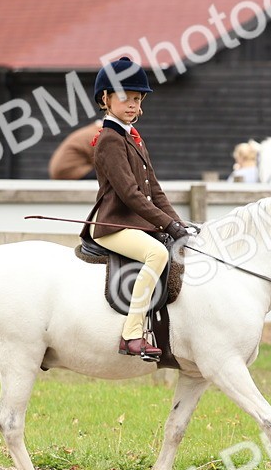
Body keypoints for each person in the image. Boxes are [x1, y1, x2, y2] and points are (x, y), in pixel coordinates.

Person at [82, 56, 198, 360]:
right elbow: (132, 195)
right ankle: (131, 334)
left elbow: (154, 190)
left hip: (134, 223)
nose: (132, 104)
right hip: (113, 225)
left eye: (136, 98)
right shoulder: (109, 139)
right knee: (157, 253)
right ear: (105, 99)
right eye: (125, 97)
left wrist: (179, 224)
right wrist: (167, 226)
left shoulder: (132, 137)